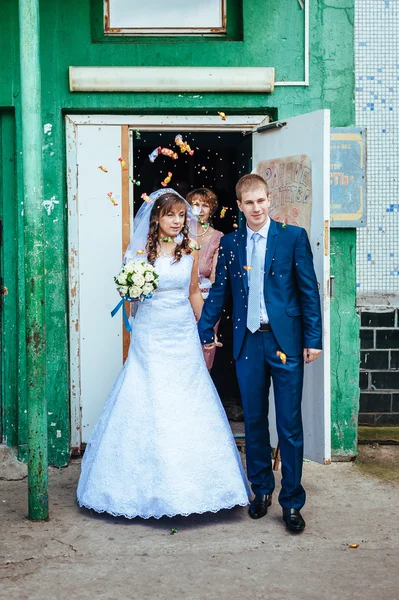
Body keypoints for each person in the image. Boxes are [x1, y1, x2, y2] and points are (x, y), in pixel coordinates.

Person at [77, 188, 249, 519]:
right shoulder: (140, 252)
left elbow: (194, 292)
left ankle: (197, 489)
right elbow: (130, 300)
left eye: (181, 215)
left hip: (182, 331)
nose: (176, 221)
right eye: (170, 214)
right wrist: (132, 290)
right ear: (157, 217)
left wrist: (207, 330)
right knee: (148, 395)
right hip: (150, 333)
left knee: (187, 396)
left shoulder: (190, 250)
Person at [198, 174, 322, 532]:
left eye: (261, 201)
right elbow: (220, 292)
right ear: (239, 206)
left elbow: (308, 291)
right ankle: (261, 491)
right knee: (253, 420)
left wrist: (312, 338)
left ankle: (292, 502)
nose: (256, 208)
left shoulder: (292, 237)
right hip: (248, 342)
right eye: (248, 202)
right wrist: (204, 330)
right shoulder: (233, 243)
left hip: (286, 342)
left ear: (270, 201)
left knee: (289, 425)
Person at [186, 188, 224, 370]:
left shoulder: (217, 237)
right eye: (195, 204)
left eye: (205, 205)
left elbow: (215, 276)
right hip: (180, 302)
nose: (200, 209)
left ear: (212, 209)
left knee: (203, 354)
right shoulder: (179, 234)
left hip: (206, 301)